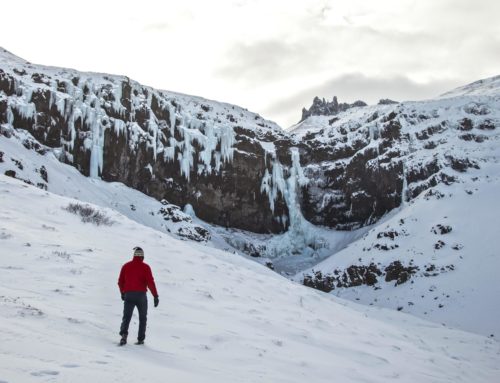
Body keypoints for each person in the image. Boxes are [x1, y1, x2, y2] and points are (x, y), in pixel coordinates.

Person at [118, 246, 159, 345]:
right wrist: (155, 296)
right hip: (141, 296)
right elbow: (150, 283)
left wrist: (122, 292)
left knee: (127, 316)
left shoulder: (126, 266)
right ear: (142, 256)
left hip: (129, 294)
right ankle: (140, 339)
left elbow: (120, 282)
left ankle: (124, 336)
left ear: (134, 255)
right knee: (142, 317)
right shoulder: (146, 267)